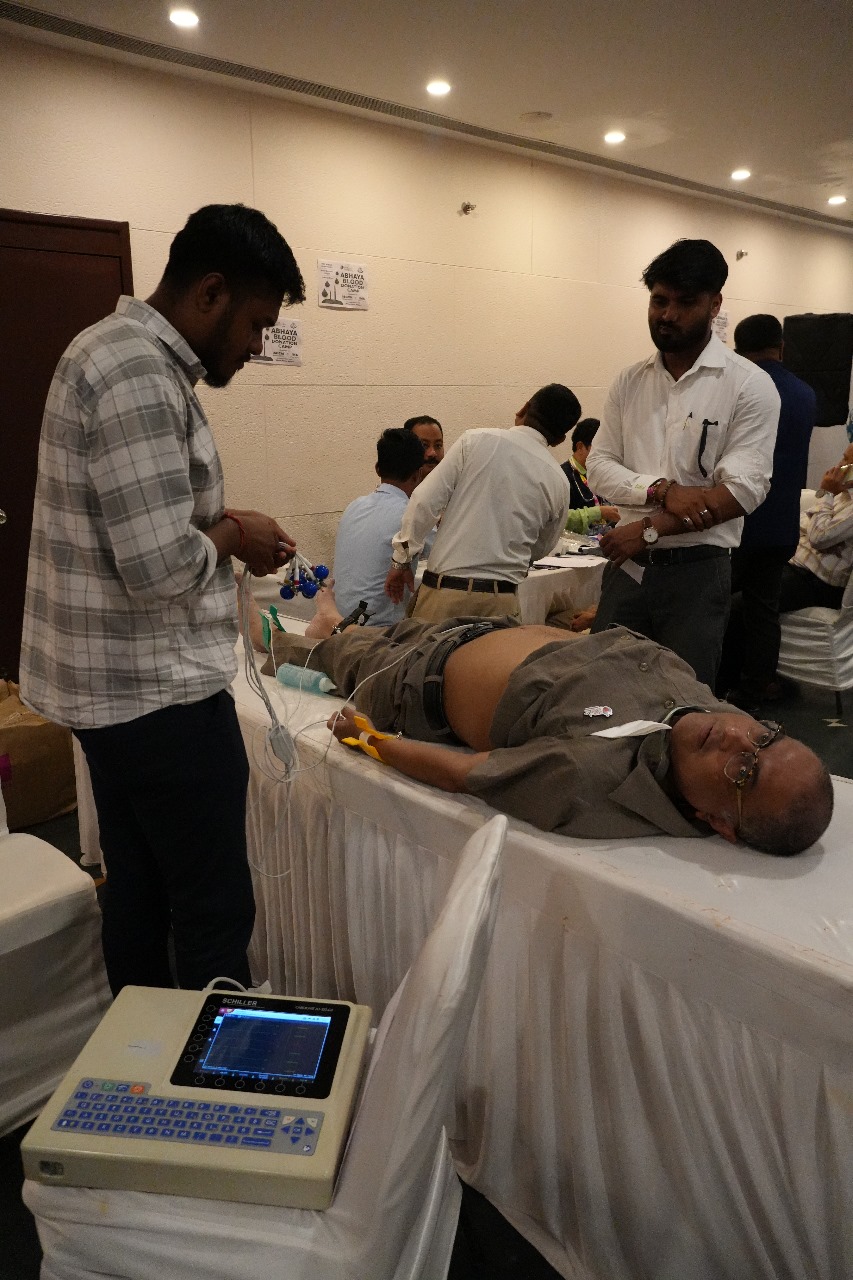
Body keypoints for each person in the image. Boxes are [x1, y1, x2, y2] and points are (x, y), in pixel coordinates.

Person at [19, 203, 306, 996]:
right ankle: (213, 1065)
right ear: (209, 292)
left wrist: (224, 525)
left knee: (139, 891)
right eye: (256, 323)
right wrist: (235, 533)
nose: (257, 345)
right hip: (158, 700)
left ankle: (142, 1057)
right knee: (213, 908)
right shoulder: (140, 374)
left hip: (116, 695)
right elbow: (155, 567)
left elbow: (142, 523)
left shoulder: (107, 349)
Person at [268, 607, 833, 856]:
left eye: (746, 772)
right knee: (367, 634)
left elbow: (465, 773)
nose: (739, 741)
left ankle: (277, 639)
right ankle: (332, 626)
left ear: (719, 824)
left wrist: (370, 740)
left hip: (415, 685)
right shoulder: (708, 721)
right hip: (470, 631)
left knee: (336, 654)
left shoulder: (596, 777)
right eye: (765, 738)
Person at [587, 239, 781, 687]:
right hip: (627, 568)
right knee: (601, 692)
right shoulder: (630, 382)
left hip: (698, 571)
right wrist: (663, 490)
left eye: (685, 302)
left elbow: (741, 492)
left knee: (681, 700)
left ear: (715, 305)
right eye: (659, 300)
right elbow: (600, 465)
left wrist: (648, 529)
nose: (668, 314)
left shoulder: (748, 385)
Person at [386, 384, 581, 622]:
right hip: (502, 603)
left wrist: (401, 561)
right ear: (560, 439)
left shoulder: (475, 441)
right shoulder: (559, 480)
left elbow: (424, 502)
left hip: (446, 595)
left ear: (523, 409)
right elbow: (541, 548)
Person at [717, 314, 817, 705]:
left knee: (712, 603)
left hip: (735, 518)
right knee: (763, 608)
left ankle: (711, 682)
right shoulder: (805, 394)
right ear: (782, 347)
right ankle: (758, 684)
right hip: (781, 524)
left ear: (738, 350)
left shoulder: (738, 387)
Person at [332, 427, 426, 626]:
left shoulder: (353, 506)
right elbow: (449, 554)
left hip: (338, 624)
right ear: (418, 474)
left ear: (377, 468)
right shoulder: (411, 514)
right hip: (380, 633)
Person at [777, 442, 853, 613]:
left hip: (816, 581)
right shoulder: (844, 493)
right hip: (794, 564)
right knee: (738, 577)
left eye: (846, 460)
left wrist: (827, 493)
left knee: (741, 604)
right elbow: (804, 523)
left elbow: (818, 537)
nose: (838, 466)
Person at [561, 418, 619, 535]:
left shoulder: (601, 474)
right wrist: (598, 512)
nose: (603, 455)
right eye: (599, 449)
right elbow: (556, 519)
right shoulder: (562, 476)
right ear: (580, 447)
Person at [403, 414, 444, 481]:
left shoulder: (455, 486)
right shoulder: (393, 487)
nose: (432, 453)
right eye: (424, 445)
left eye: (438, 445)